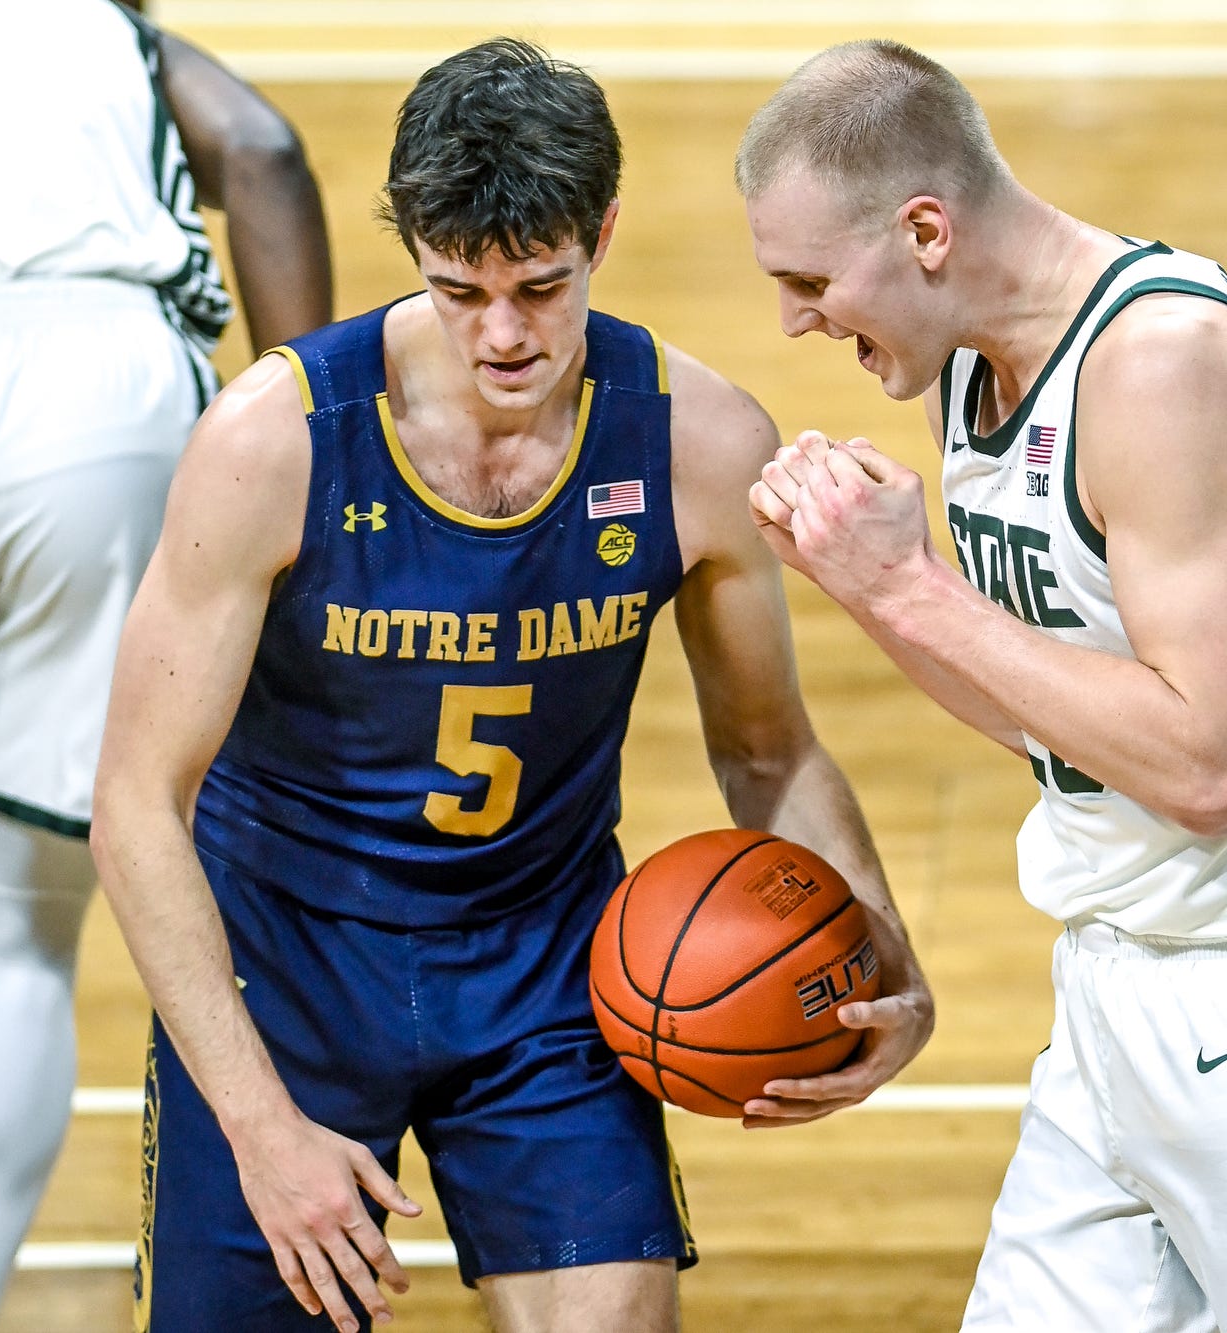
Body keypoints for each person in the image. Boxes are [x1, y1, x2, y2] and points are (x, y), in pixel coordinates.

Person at [91, 37, 933, 1333]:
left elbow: (769, 753)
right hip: (289, 958)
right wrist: (260, 1127)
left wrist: (886, 959)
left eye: (542, 288)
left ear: (602, 230)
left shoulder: (697, 440)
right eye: (456, 290)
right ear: (413, 244)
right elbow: (138, 805)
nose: (501, 335)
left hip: (546, 960)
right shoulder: (274, 442)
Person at [738, 40, 1227, 1333]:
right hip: (1113, 1010)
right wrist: (863, 584)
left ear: (926, 229)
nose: (795, 321)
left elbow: (1205, 763)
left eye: (809, 281)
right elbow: (1059, 729)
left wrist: (914, 588)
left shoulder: (1165, 363)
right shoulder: (972, 375)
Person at [0, 0, 329, 1328]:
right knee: (22, 936)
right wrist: (308, 432)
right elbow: (269, 152)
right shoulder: (110, 31)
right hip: (102, 404)